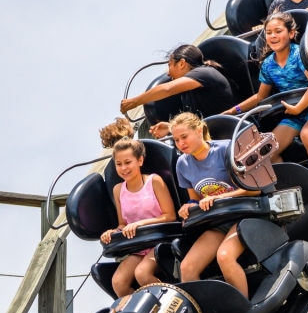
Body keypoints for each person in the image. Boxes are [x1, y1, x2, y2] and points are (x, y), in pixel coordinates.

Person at [226, 12, 308, 181]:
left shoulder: (299, 55)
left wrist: (299, 107)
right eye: (269, 32)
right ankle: (296, 186)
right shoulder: (268, 65)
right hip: (294, 115)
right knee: (267, 151)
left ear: (291, 33)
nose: (273, 36)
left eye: (278, 31)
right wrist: (233, 110)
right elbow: (260, 95)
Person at [170, 112, 258, 296]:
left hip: (245, 212)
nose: (181, 144)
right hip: (219, 222)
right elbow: (195, 198)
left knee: (225, 257)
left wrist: (217, 198)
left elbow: (254, 189)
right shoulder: (182, 164)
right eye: (176, 140)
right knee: (187, 268)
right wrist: (189, 206)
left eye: (184, 137)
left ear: (199, 130)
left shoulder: (225, 149)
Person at [100, 138, 177, 297]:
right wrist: (112, 232)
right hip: (139, 247)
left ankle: (172, 303)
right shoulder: (118, 190)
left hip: (160, 241)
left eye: (128, 162)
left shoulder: (154, 181)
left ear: (140, 160)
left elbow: (170, 216)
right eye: (119, 164)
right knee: (119, 282)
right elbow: (123, 224)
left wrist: (140, 224)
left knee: (142, 274)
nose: (123, 168)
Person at [121, 45, 233, 138]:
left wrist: (134, 102)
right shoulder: (187, 93)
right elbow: (197, 123)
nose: (168, 73)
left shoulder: (204, 73)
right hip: (212, 137)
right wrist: (171, 127)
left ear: (182, 63)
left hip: (230, 130)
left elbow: (167, 89)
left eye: (169, 65)